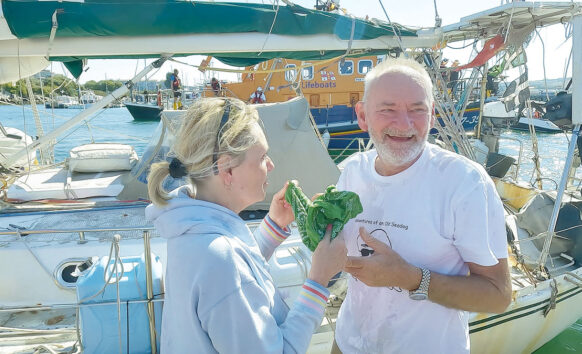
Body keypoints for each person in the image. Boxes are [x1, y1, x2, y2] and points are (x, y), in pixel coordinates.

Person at [332, 57, 512, 353]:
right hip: (347, 343)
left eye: (418, 110)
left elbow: (498, 295)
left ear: (431, 116)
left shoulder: (464, 183)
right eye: (387, 110)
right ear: (363, 116)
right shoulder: (352, 171)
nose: (404, 125)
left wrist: (410, 277)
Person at [145, 97, 346, 353]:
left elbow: (233, 281)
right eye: (262, 156)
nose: (271, 165)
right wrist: (319, 280)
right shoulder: (219, 257)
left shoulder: (189, 228)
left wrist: (273, 227)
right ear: (227, 169)